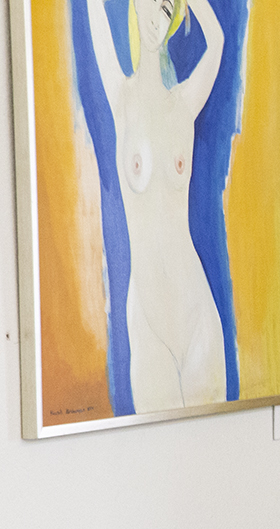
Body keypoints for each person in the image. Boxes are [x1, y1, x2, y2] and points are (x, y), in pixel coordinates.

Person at [85, 0, 226, 411]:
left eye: (166, 9)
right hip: (147, 318)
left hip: (196, 313)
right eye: (148, 2)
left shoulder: (184, 103)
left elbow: (217, 41)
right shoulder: (121, 96)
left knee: (217, 440)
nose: (154, 19)